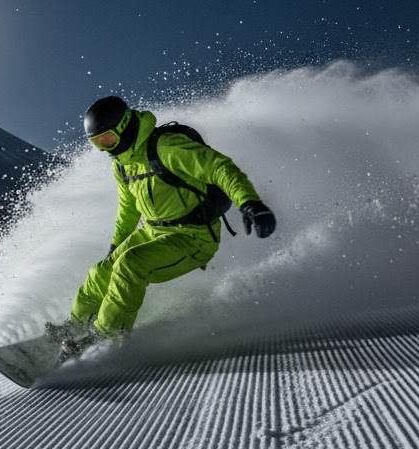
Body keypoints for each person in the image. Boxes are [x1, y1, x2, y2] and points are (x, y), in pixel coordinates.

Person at [52, 96, 276, 359]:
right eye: (98, 143)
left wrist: (249, 202)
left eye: (108, 139)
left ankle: (106, 338)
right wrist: (116, 245)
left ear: (123, 126)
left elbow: (218, 167)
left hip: (193, 237)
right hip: (153, 231)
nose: (105, 148)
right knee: (102, 271)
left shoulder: (166, 146)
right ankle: (75, 326)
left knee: (130, 265)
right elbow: (128, 209)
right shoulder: (122, 165)